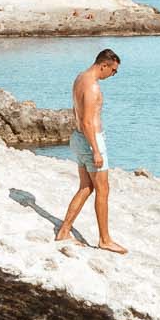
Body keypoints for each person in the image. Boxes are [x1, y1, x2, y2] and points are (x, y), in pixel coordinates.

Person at [56, 49, 126, 252]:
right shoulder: (93, 87)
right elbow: (87, 121)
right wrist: (95, 150)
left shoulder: (80, 78)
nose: (112, 75)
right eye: (113, 70)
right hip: (90, 141)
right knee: (103, 190)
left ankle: (64, 231)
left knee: (86, 187)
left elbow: (76, 110)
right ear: (104, 65)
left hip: (78, 139)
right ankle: (104, 239)